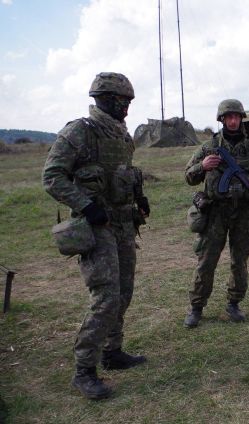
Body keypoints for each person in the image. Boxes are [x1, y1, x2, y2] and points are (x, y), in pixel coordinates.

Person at [42, 72, 149, 400]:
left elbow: (124, 174)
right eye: (122, 101)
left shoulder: (121, 134)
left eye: (129, 101)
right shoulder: (80, 131)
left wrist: (139, 197)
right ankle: (84, 371)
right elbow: (52, 176)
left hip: (123, 224)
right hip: (95, 227)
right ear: (105, 99)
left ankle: (112, 352)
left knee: (124, 292)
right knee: (106, 297)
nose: (127, 107)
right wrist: (86, 206)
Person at [183, 99, 249, 328]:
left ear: (241, 119)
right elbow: (189, 177)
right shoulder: (209, 148)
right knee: (206, 261)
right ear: (222, 119)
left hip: (244, 212)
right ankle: (196, 307)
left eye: (236, 117)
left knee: (240, 261)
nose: (233, 121)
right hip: (215, 212)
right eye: (229, 117)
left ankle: (234, 303)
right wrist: (202, 166)